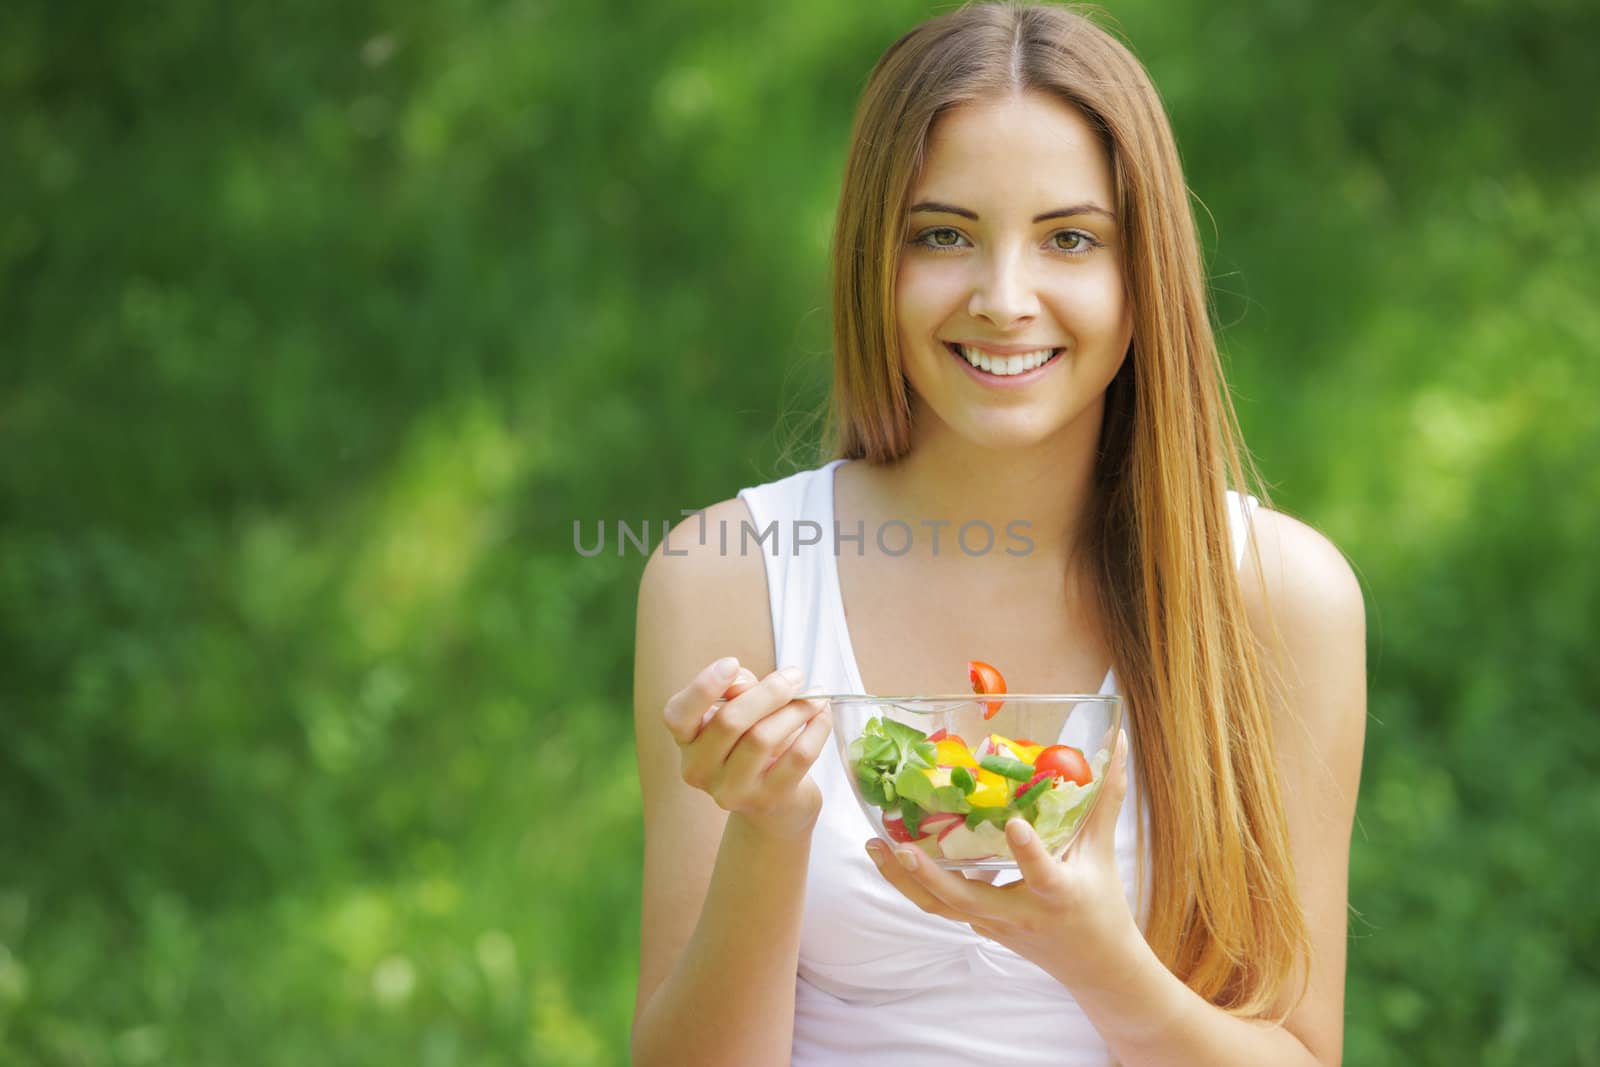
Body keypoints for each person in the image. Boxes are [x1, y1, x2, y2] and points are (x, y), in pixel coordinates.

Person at [630, 3, 1366, 1064]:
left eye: (1070, 237)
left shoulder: (1280, 594)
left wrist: (1095, 952)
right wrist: (770, 829)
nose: (1004, 298)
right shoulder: (728, 573)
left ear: (1141, 269)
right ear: (871, 261)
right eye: (943, 234)